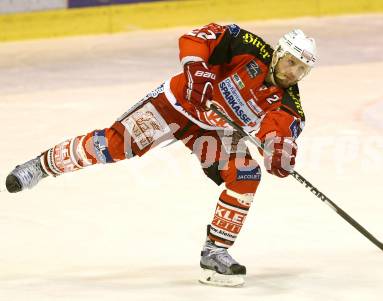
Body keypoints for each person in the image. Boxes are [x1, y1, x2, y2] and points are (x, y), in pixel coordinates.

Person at [5, 23, 317, 287]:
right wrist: (195, 68)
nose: (294, 73)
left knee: (247, 175)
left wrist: (279, 154)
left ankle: (214, 254)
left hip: (215, 131)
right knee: (111, 146)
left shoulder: (290, 104)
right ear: (278, 52)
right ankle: (40, 167)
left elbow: (280, 134)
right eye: (291, 62)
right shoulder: (246, 45)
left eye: (302, 69)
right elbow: (197, 38)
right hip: (175, 105)